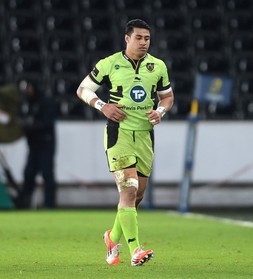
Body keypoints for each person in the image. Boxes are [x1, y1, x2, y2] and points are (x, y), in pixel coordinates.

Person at [76, 19, 174, 266]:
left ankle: (113, 236)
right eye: (139, 38)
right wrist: (102, 106)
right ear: (127, 38)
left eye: (147, 38)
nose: (144, 42)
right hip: (118, 135)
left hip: (144, 136)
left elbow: (167, 97)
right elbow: (83, 89)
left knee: (137, 196)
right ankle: (135, 250)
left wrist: (159, 112)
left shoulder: (158, 66)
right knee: (128, 190)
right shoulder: (109, 64)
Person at [16, 81, 57, 209]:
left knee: (47, 174)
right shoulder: (28, 102)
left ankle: (49, 204)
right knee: (29, 173)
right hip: (34, 145)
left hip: (45, 145)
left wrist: (28, 127)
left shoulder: (44, 102)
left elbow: (46, 123)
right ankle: (25, 202)